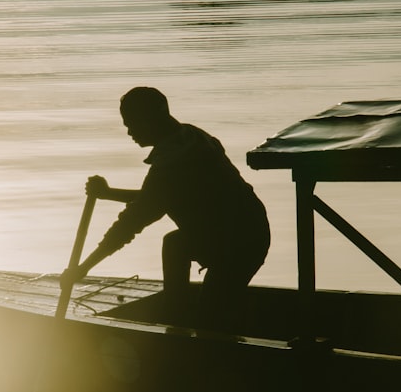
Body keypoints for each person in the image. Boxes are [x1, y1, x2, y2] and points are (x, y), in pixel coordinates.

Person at [61, 87, 270, 330]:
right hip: (239, 233)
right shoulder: (192, 137)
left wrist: (82, 269)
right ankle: (177, 314)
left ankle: (177, 322)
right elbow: (158, 199)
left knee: (209, 315)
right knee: (177, 243)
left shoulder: (174, 162)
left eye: (131, 124)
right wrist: (108, 194)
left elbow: (131, 222)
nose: (129, 132)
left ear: (151, 119)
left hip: (237, 243)